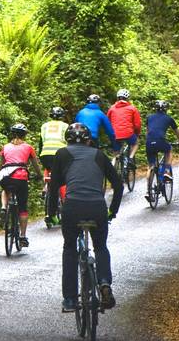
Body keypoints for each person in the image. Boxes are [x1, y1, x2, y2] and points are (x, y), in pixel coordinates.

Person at [47, 122, 123, 313]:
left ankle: (71, 300)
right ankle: (104, 283)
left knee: (70, 249)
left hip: (72, 207)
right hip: (97, 207)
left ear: (67, 139)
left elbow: (54, 187)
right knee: (100, 246)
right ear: (89, 140)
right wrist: (112, 211)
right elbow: (118, 185)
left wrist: (50, 214)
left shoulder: (62, 154)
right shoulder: (98, 154)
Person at [0, 123, 43, 248]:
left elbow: (1, 164)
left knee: (5, 190)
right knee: (23, 208)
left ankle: (3, 207)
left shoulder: (5, 147)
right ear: (24, 135)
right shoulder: (28, 148)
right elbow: (35, 165)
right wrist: (39, 176)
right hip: (21, 177)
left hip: (6, 176)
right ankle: (22, 236)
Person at [144, 101, 179, 197]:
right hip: (160, 141)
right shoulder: (169, 118)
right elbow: (177, 133)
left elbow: (147, 132)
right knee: (169, 150)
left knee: (151, 166)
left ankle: (148, 191)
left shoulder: (149, 117)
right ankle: (166, 171)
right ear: (166, 109)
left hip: (149, 142)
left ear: (155, 108)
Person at [38, 106, 69, 227]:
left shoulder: (44, 126)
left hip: (45, 154)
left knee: (49, 168)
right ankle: (65, 200)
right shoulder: (65, 126)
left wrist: (42, 155)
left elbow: (41, 143)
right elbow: (68, 142)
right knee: (62, 177)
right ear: (62, 116)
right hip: (60, 154)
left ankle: (45, 186)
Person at [107, 88, 141, 166]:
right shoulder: (132, 108)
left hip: (115, 134)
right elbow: (137, 124)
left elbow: (107, 121)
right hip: (128, 133)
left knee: (116, 154)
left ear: (117, 98)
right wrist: (137, 133)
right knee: (136, 143)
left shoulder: (112, 108)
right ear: (128, 98)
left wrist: (110, 134)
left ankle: (113, 168)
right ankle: (131, 158)